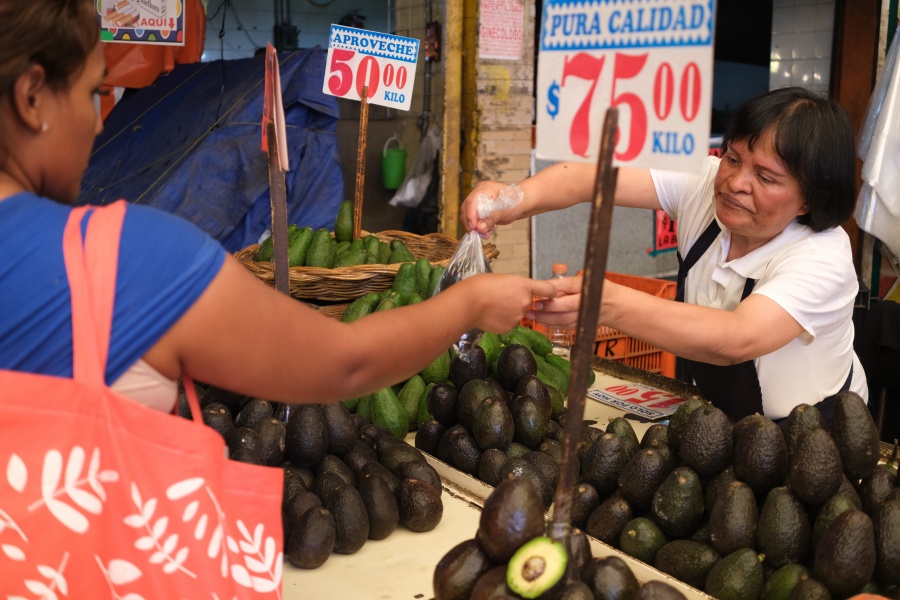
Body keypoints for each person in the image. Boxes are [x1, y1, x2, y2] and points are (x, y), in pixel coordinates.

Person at [0, 0, 556, 413]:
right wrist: (469, 303)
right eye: (94, 92)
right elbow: (343, 362)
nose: (101, 122)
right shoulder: (127, 257)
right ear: (31, 98)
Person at [462, 87, 868, 424]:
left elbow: (736, 338)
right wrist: (513, 196)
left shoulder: (823, 256)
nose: (735, 182)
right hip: (719, 423)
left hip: (816, 436)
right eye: (733, 158)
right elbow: (592, 177)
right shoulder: (706, 183)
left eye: (765, 177)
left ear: (807, 201)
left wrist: (610, 303)